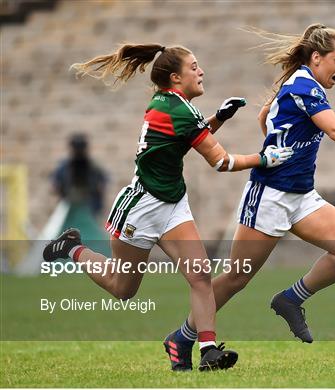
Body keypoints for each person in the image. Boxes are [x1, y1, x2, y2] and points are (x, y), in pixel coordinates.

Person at [42, 43, 293, 371]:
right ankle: (73, 249)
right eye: (194, 67)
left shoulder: (175, 105)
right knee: (123, 288)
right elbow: (220, 162)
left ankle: (207, 351)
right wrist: (264, 159)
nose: (200, 71)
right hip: (142, 207)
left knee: (201, 275)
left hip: (172, 204)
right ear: (176, 77)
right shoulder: (179, 109)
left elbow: (187, 139)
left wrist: (219, 117)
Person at [173, 24, 335, 350]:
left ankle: (289, 299)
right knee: (236, 278)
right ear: (316, 57)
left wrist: (275, 137)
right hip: (269, 196)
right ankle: (182, 338)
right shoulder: (305, 87)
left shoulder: (302, 84)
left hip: (301, 196)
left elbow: (265, 114)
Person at [52, 133, 107, 216]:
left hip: (89, 206)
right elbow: (56, 185)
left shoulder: (94, 167)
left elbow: (102, 183)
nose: (78, 151)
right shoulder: (64, 167)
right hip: (69, 206)